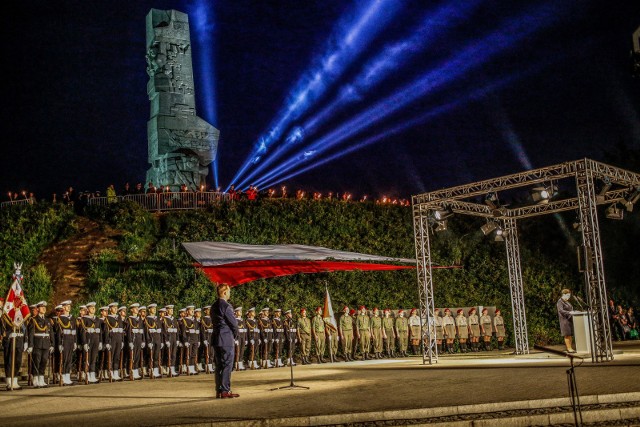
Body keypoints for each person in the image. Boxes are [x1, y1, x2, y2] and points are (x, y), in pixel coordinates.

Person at [211, 284, 239, 399]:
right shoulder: (226, 306)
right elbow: (234, 324)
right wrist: (235, 336)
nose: (229, 294)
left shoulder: (213, 306)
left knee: (219, 365)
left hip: (216, 338)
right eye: (229, 291)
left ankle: (219, 390)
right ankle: (225, 390)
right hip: (226, 338)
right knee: (227, 364)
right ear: (224, 293)